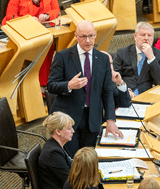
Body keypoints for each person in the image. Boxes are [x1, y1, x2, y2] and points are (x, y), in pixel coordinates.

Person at [47, 20, 123, 158]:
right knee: (72, 161)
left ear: (95, 35)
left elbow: (107, 92)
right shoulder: (62, 56)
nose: (88, 41)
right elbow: (51, 85)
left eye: (91, 36)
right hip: (68, 120)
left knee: (88, 160)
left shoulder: (102, 59)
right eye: (83, 36)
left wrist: (111, 120)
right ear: (76, 36)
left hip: (93, 118)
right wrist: (69, 85)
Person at [113, 22, 160, 99]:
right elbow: (113, 77)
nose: (146, 38)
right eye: (143, 35)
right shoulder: (122, 53)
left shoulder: (159, 55)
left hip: (148, 97)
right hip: (126, 96)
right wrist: (125, 90)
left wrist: (151, 58)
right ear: (135, 36)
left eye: (149, 35)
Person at [38, 111, 75, 189]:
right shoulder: (53, 154)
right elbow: (70, 181)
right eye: (69, 129)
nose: (73, 131)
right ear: (58, 131)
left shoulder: (55, 144)